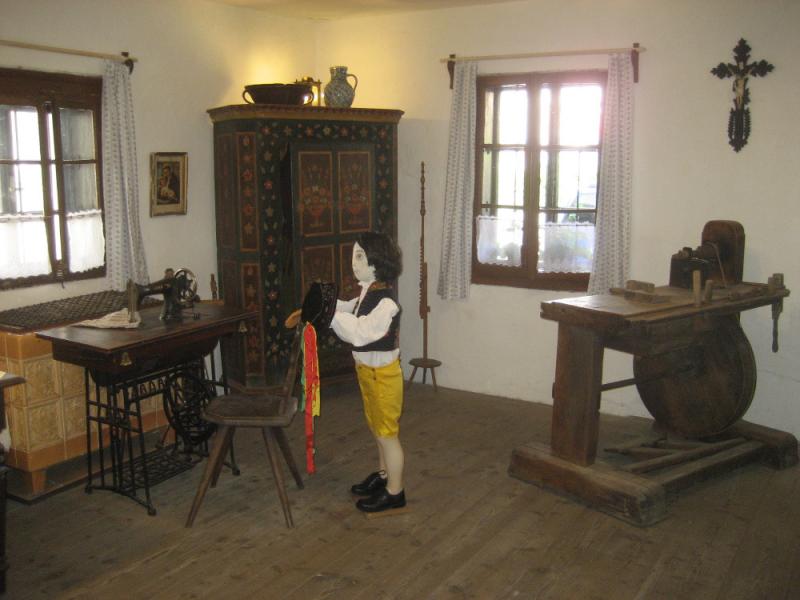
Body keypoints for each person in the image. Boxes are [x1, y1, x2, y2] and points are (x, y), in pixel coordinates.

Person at [329, 232, 405, 513]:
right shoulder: (368, 291)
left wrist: (331, 316)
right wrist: (329, 306)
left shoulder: (386, 303)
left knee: (387, 434)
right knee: (377, 428)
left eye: (360, 256)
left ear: (377, 261)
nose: (354, 262)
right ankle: (384, 475)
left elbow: (360, 332)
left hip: (383, 376)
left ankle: (395, 492)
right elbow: (351, 307)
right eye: (354, 255)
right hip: (367, 372)